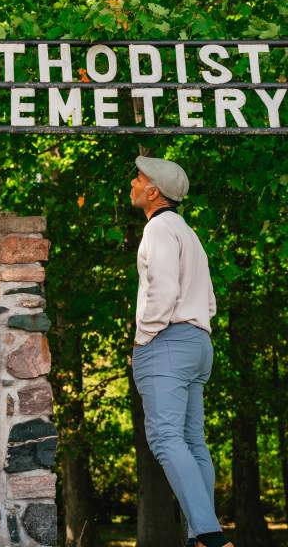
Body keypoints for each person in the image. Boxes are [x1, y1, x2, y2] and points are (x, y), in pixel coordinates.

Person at [129, 155, 233, 547]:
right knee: (192, 441)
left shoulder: (158, 230)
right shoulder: (189, 234)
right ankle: (201, 535)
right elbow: (209, 302)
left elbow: (164, 290)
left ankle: (209, 535)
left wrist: (143, 337)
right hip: (198, 342)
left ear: (154, 191)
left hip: (167, 342)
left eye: (139, 179)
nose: (133, 184)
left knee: (165, 438)